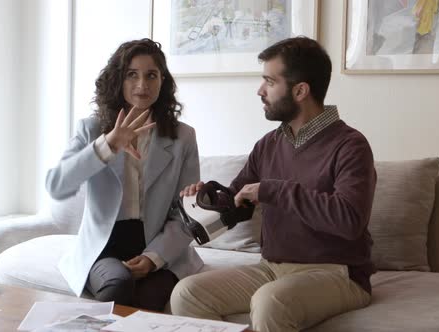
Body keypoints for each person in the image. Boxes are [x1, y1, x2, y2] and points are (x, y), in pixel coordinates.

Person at [170, 36, 377, 332]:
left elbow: (349, 219)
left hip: (337, 273)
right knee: (187, 293)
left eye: (269, 81)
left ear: (300, 90)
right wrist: (208, 199)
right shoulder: (268, 144)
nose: (260, 91)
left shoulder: (350, 145)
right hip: (272, 268)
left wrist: (271, 190)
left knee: (271, 303)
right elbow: (238, 201)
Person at [45, 38, 203, 312]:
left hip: (159, 244)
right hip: (105, 247)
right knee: (117, 285)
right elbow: (58, 185)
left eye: (151, 75)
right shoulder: (91, 130)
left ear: (162, 81)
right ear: (118, 79)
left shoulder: (183, 137)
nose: (142, 85)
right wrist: (109, 144)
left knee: (150, 296)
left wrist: (155, 257)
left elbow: (187, 212)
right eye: (132, 75)